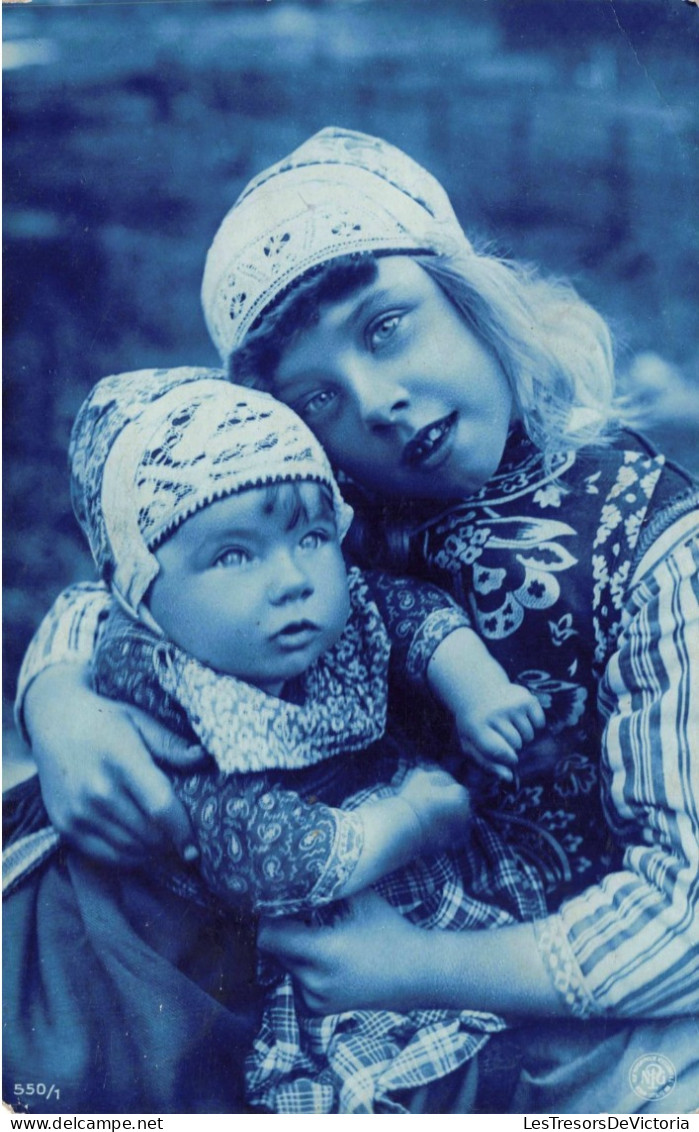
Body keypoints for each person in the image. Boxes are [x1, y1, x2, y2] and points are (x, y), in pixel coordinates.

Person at [12, 128, 699, 1113]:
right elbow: (154, 577)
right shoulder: (339, 512)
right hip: (334, 967)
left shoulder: (659, 551)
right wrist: (59, 694)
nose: (377, 402)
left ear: (468, 298)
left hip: (573, 1005)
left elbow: (688, 916)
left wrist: (418, 968)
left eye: (387, 327)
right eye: (316, 396)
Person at [5, 365, 548, 1114]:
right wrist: (409, 822)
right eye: (235, 556)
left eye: (311, 536)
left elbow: (404, 613)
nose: (292, 579)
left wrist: (478, 689)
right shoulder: (161, 686)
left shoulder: (328, 608)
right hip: (246, 914)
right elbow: (257, 854)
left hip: (359, 891)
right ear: (138, 593)